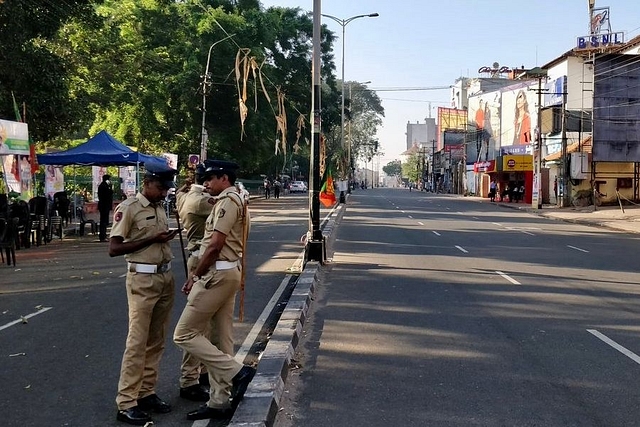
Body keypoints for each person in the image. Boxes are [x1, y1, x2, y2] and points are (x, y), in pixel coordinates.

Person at [173, 159, 256, 421]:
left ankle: (238, 372)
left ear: (225, 179)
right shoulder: (236, 199)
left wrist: (194, 275)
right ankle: (219, 400)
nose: (206, 183)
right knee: (222, 339)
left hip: (216, 274)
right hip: (227, 271)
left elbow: (215, 244)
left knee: (184, 334)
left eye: (211, 179)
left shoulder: (227, 202)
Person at [108, 163, 180, 426]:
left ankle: (146, 391)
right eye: (161, 187)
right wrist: (153, 240)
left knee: (157, 339)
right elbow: (115, 248)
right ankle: (126, 402)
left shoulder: (159, 207)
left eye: (166, 189)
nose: (164, 193)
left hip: (164, 276)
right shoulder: (129, 208)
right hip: (142, 279)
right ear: (147, 182)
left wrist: (165, 237)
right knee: (137, 342)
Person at [176, 163, 216, 403]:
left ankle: (200, 371)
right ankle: (189, 379)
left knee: (204, 323)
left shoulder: (184, 195)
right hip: (202, 260)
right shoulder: (202, 201)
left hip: (198, 257)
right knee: (196, 325)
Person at [98, 174, 114, 242]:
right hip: (104, 206)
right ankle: (102, 236)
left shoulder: (103, 185)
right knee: (103, 221)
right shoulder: (104, 186)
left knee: (104, 221)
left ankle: (103, 235)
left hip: (104, 206)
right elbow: (109, 193)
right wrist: (110, 187)